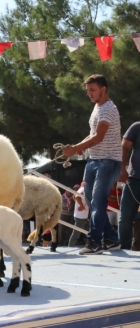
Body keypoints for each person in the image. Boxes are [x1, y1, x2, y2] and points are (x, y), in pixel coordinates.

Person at [62, 74, 122, 255]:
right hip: (93, 160)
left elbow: (99, 137)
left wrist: (77, 148)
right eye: (88, 90)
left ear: (104, 89)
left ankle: (94, 242)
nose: (89, 94)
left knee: (98, 201)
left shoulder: (108, 109)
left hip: (109, 161)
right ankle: (111, 239)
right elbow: (92, 134)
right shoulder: (97, 107)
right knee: (91, 201)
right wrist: (79, 147)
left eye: (93, 90)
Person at [118, 121, 140, 250]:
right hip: (134, 180)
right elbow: (124, 147)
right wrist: (122, 169)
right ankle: (123, 249)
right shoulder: (137, 126)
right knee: (125, 217)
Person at [69, 183, 90, 247]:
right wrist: (81, 205)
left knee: (89, 231)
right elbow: (76, 196)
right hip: (80, 217)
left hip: (83, 216)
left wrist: (81, 205)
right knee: (76, 234)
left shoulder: (83, 189)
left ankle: (89, 245)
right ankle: (70, 246)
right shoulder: (83, 189)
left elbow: (74, 196)